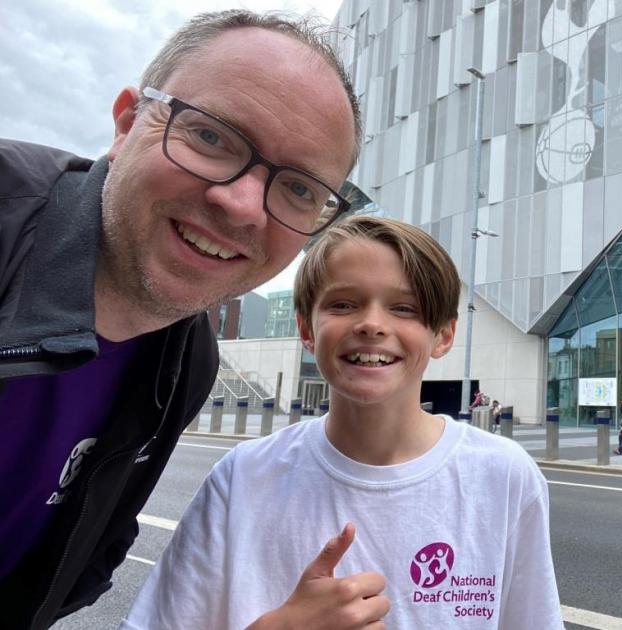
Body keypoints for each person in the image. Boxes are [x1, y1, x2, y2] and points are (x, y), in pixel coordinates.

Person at [0, 10, 363, 628]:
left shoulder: (186, 357)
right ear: (126, 123)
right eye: (212, 137)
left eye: (300, 189)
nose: (243, 205)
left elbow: (83, 559)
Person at [121, 216, 563, 629]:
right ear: (307, 330)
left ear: (443, 336)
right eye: (344, 303)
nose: (372, 324)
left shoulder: (504, 475)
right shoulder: (243, 477)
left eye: (405, 308)